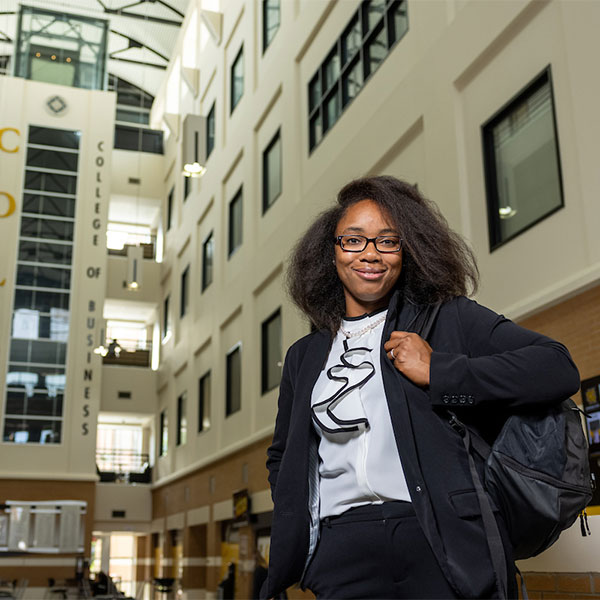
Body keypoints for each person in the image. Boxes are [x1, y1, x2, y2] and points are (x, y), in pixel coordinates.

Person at [261, 176, 580, 599]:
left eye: (388, 241)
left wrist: (440, 372)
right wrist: (309, 545)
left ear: (407, 250)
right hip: (342, 551)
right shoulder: (305, 356)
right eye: (353, 240)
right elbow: (284, 453)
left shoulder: (448, 320)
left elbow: (556, 368)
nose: (370, 254)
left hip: (442, 543)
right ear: (331, 252)